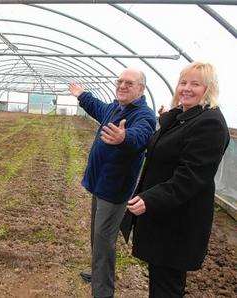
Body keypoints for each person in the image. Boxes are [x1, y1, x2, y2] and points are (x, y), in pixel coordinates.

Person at [124, 62, 230, 297]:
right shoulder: (182, 117)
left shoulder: (209, 123)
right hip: (164, 216)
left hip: (178, 223)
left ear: (209, 88)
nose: (186, 88)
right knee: (160, 280)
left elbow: (191, 176)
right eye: (183, 82)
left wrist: (150, 198)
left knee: (167, 286)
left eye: (195, 84)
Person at [69, 68, 156, 298]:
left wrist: (123, 138)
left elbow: (140, 136)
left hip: (115, 190)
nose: (122, 85)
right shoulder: (115, 108)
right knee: (96, 237)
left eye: (129, 82)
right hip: (100, 185)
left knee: (104, 241)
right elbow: (96, 106)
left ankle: (103, 292)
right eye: (120, 81)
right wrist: (81, 95)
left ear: (141, 88)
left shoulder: (144, 115)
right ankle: (99, 274)